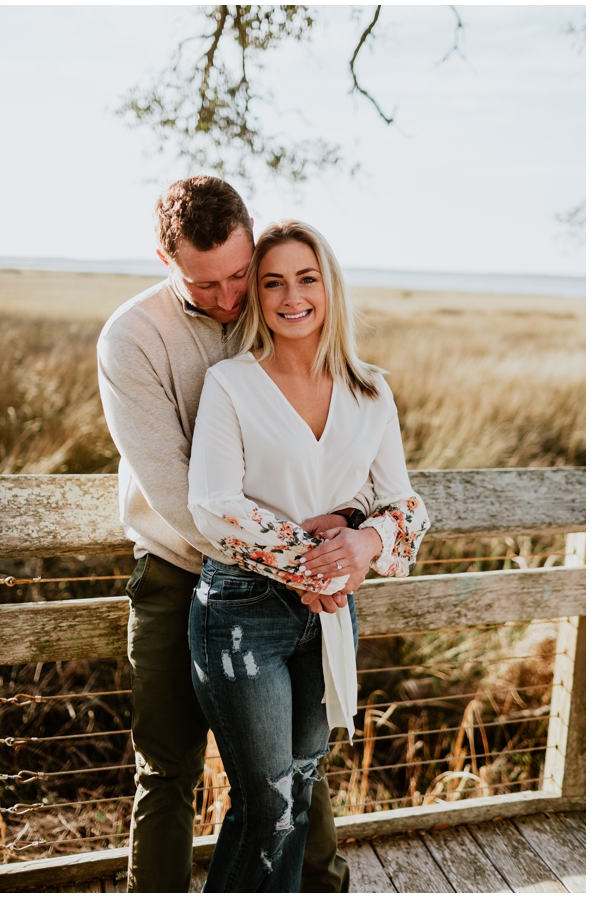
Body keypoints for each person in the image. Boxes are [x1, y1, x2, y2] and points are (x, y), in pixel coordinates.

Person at [97, 177, 374, 893]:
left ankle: (322, 887)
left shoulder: (282, 307)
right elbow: (180, 497)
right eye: (204, 283)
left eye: (237, 274)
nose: (228, 298)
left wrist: (347, 527)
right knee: (168, 766)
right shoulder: (133, 338)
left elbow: (341, 451)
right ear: (163, 258)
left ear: (252, 244)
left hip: (297, 583)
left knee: (291, 767)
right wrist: (300, 567)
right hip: (178, 572)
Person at [186, 220, 429, 891]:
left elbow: (405, 505)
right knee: (268, 804)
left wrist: (364, 542)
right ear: (258, 297)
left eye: (306, 278)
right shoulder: (231, 384)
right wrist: (313, 564)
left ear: (329, 286)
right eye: (273, 282)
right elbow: (212, 502)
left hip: (329, 616)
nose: (292, 296)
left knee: (295, 791)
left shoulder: (370, 389)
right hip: (243, 611)